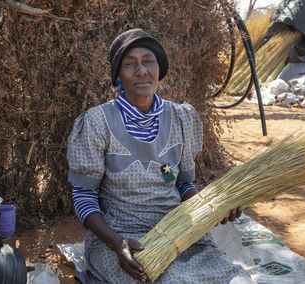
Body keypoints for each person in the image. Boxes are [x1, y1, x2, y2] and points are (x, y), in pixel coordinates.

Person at [67, 28, 253, 283]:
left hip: (179, 232)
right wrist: (115, 242)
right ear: (118, 75)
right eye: (130, 64)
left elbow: (183, 184)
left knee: (235, 279)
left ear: (159, 69)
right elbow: (84, 195)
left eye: (148, 61)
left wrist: (211, 206)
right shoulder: (97, 123)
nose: (141, 70)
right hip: (123, 241)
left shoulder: (181, 119)